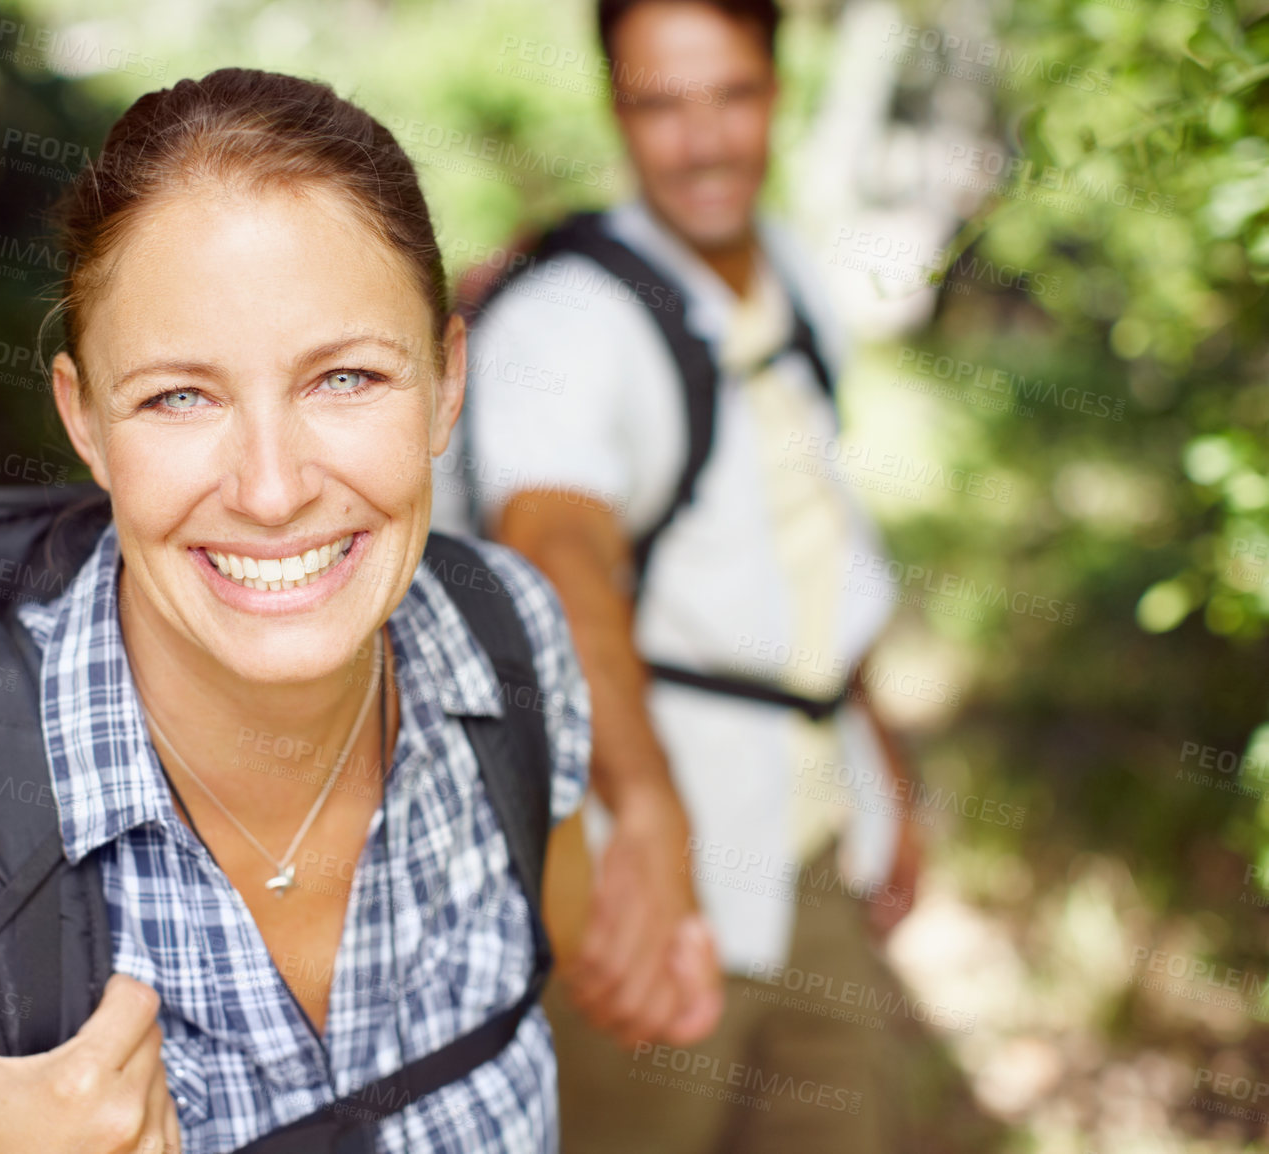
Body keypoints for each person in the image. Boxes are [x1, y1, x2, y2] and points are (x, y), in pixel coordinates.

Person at [0, 67, 657, 1154]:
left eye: (345, 378)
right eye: (179, 395)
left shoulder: (510, 643)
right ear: (84, 420)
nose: (271, 487)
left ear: (448, 382)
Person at [437, 1, 924, 1150]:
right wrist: (649, 817)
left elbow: (804, 553)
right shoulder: (568, 320)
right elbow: (557, 552)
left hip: (814, 846)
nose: (702, 141)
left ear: (778, 88)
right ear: (616, 111)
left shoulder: (792, 279)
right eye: (661, 103)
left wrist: (883, 768)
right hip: (632, 873)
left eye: (731, 95)